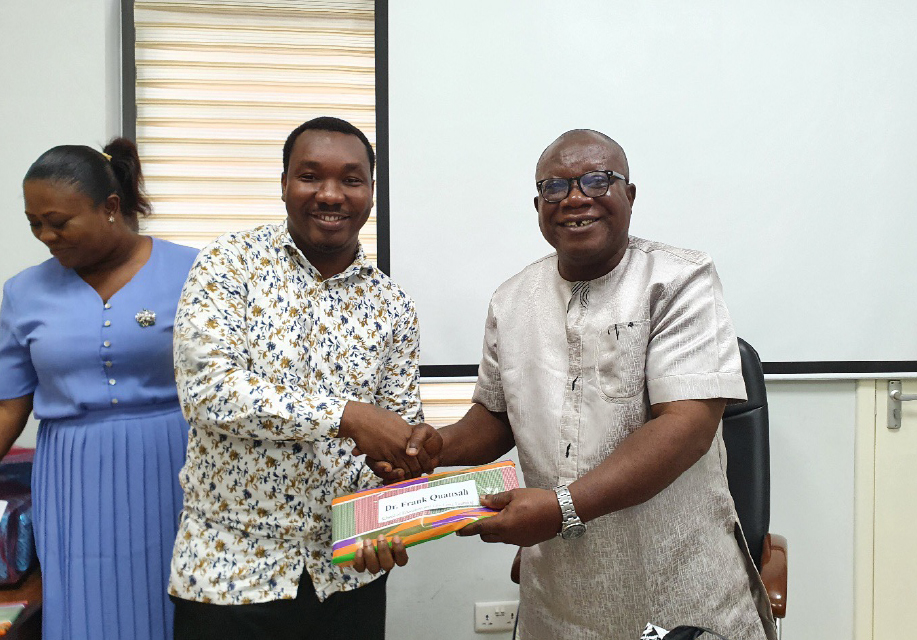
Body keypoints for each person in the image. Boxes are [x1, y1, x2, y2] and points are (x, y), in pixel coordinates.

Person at [371, 129, 778, 639]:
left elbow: (687, 427)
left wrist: (562, 508)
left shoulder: (679, 280)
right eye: (555, 188)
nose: (576, 198)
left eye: (596, 180)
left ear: (629, 195)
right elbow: (497, 417)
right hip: (559, 597)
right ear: (538, 205)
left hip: (677, 587)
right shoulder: (511, 299)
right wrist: (438, 446)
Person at [168, 116, 441, 640]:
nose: (331, 194)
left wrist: (397, 499)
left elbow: (397, 431)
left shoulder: (392, 304)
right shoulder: (228, 265)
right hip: (232, 574)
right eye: (310, 176)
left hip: (348, 574)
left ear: (371, 192)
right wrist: (345, 415)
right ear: (284, 184)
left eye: (352, 180)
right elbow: (208, 392)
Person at [0, 139, 199, 640]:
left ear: (111, 207)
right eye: (33, 223)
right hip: (72, 476)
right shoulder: (22, 293)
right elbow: (8, 406)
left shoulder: (197, 272)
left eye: (59, 221)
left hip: (176, 467)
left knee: (176, 606)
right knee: (87, 610)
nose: (46, 235)